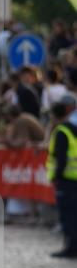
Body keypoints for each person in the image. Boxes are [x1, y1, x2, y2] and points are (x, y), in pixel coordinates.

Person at [46, 101, 77, 258]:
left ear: (53, 115)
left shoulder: (61, 132)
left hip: (66, 179)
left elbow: (61, 158)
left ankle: (71, 248)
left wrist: (56, 177)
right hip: (74, 178)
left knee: (67, 215)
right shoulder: (73, 128)